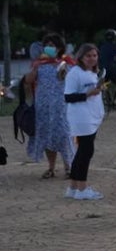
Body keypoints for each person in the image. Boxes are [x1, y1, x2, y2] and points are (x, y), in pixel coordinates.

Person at [23, 32, 75, 180]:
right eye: (47, 45)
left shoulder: (67, 63)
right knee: (47, 134)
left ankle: (68, 167)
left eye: (52, 45)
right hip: (43, 106)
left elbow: (72, 81)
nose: (49, 48)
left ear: (59, 48)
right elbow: (28, 80)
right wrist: (35, 67)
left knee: (64, 134)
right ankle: (51, 168)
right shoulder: (39, 63)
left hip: (61, 105)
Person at [63, 43, 107, 200]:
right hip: (82, 118)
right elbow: (68, 96)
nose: (92, 58)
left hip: (93, 116)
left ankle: (73, 187)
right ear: (81, 57)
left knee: (82, 152)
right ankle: (82, 188)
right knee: (85, 152)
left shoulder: (92, 73)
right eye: (88, 56)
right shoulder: (75, 73)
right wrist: (88, 94)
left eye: (94, 55)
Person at [97, 28, 116, 108]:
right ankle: (114, 101)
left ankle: (105, 100)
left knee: (103, 84)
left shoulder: (101, 46)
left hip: (103, 69)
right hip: (113, 69)